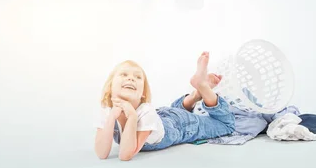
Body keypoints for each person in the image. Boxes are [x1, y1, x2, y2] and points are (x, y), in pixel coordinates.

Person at [94, 52, 236, 161]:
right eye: (123, 74)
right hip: (164, 116)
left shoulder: (145, 113)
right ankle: (195, 95)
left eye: (137, 77)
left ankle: (203, 87)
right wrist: (112, 117)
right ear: (110, 86)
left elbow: (125, 154)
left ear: (143, 94)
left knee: (226, 124)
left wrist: (132, 116)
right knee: (175, 111)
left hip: (181, 125)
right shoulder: (107, 110)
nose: (130, 78)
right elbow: (101, 153)